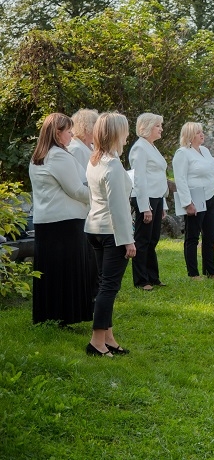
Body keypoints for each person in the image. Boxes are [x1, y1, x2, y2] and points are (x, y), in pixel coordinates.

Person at [29, 113, 94, 326]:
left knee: (50, 270)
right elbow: (76, 189)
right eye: (68, 131)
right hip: (65, 221)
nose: (71, 134)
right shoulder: (58, 155)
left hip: (46, 220)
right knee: (67, 271)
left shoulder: (38, 155)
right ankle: (66, 315)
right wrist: (99, 196)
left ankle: (49, 314)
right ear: (57, 133)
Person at [84, 112, 135, 357]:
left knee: (104, 284)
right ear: (116, 133)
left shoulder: (96, 160)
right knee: (108, 287)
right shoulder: (112, 165)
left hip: (95, 227)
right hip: (111, 232)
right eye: (125, 130)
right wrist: (128, 241)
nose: (127, 136)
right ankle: (96, 341)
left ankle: (108, 337)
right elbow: (119, 208)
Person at [173, 122, 214, 280]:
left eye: (202, 132)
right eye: (198, 132)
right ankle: (193, 273)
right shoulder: (183, 153)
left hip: (210, 196)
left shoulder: (206, 151)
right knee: (192, 236)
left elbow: (213, 177)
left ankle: (210, 271)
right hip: (195, 198)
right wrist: (187, 202)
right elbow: (180, 179)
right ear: (189, 135)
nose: (202, 135)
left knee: (210, 235)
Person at [129, 113, 168, 291]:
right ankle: (141, 280)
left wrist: (163, 204)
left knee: (153, 240)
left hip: (157, 198)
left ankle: (153, 276)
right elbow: (139, 180)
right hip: (146, 198)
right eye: (158, 125)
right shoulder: (140, 148)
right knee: (143, 240)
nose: (161, 129)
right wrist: (145, 207)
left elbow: (159, 177)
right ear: (147, 127)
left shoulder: (151, 146)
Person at [66, 108, 99, 175]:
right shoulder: (76, 149)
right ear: (87, 127)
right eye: (97, 125)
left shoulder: (92, 146)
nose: (100, 129)